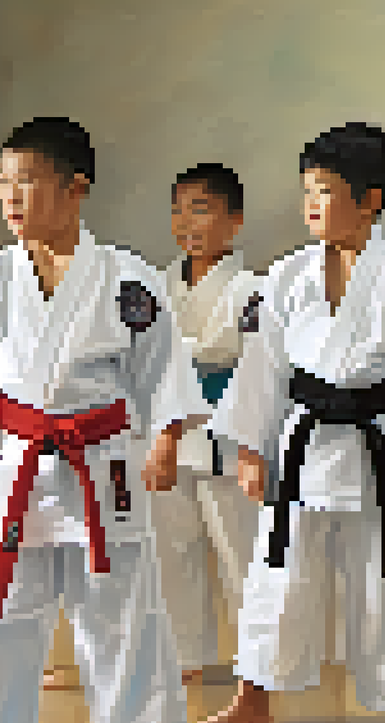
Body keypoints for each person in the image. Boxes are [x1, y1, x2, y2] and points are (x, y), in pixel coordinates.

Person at [192, 123, 385, 723]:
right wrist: (248, 446)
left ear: (371, 199)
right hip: (300, 445)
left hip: (376, 445)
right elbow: (261, 366)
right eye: (308, 192)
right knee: (276, 579)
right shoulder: (285, 276)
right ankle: (251, 704)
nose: (312, 204)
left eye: (326, 191)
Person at [0, 117, 204, 723]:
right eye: (3, 184)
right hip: (18, 461)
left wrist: (166, 439)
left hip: (100, 461)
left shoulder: (126, 279)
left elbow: (161, 367)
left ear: (75, 187)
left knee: (122, 605)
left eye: (27, 182)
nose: (11, 198)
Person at [155, 163, 265, 685]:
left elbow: (234, 354)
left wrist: (178, 353)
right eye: (178, 209)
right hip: (168, 433)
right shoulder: (158, 284)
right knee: (172, 550)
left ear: (234, 220)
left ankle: (257, 660)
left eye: (200, 209)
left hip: (226, 431)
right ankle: (183, 655)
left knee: (239, 553)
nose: (185, 221)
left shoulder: (251, 288)